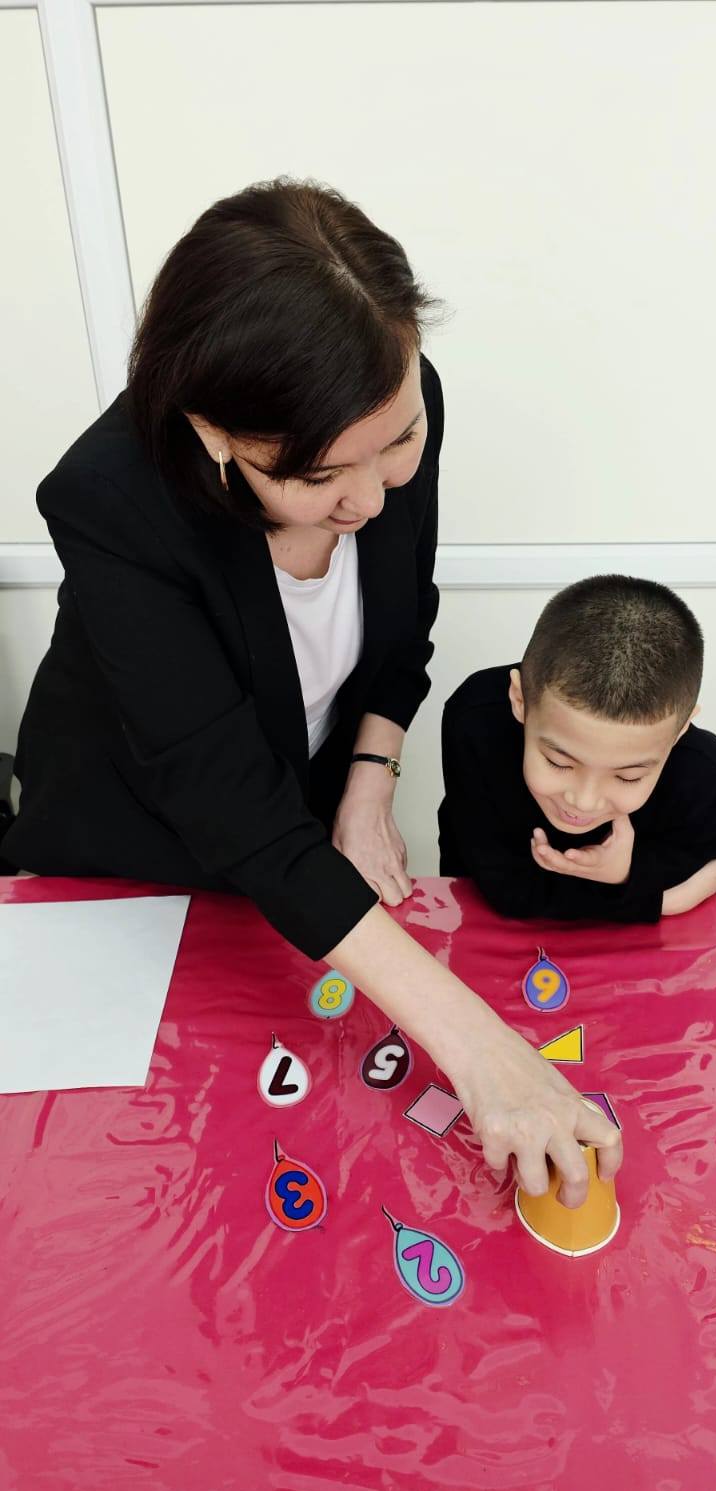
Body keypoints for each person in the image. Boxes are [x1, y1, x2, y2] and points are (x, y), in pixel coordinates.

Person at [4, 179, 621, 1209]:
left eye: (399, 447)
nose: (372, 498)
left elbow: (403, 621)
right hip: (133, 857)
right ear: (214, 433)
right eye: (324, 476)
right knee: (152, 1184)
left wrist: (369, 782)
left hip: (297, 834)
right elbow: (231, 809)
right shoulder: (113, 500)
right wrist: (483, 1053)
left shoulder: (393, 396)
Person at [439, 574, 716, 920]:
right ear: (519, 700)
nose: (584, 801)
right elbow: (500, 886)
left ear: (681, 731)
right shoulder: (476, 722)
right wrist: (656, 900)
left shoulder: (701, 771)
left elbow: (712, 865)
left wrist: (627, 873)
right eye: (559, 762)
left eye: (628, 777)